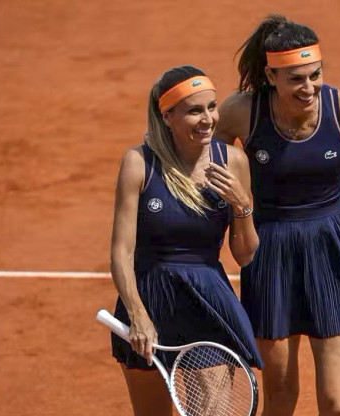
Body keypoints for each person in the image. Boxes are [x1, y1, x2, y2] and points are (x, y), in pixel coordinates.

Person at [214, 15, 340, 416]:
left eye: (315, 75)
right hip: (269, 251)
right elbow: (205, 174)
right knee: (280, 399)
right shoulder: (241, 113)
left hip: (333, 248)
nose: (308, 87)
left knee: (336, 405)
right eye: (295, 78)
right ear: (271, 76)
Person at [109, 65, 262, 416]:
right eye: (195, 110)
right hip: (150, 299)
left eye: (211, 107)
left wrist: (243, 205)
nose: (208, 118)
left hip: (206, 303)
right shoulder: (138, 164)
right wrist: (138, 315)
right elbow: (121, 252)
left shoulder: (234, 162)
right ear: (167, 116)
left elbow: (245, 255)